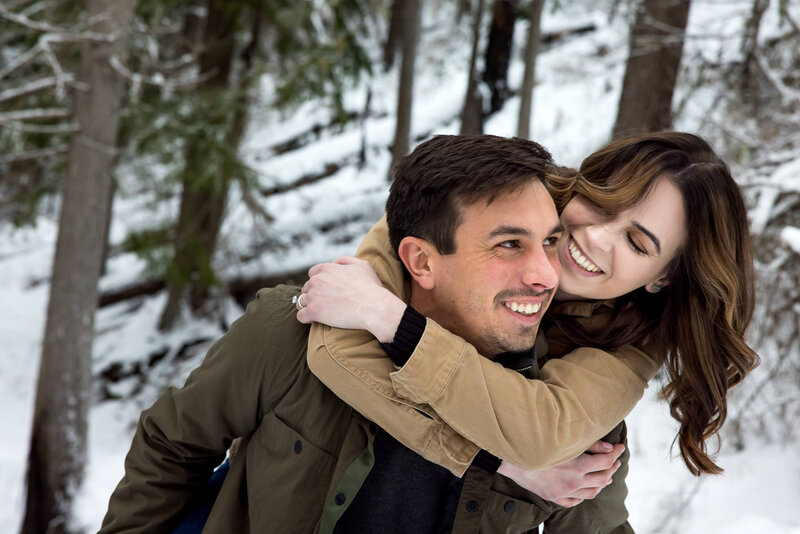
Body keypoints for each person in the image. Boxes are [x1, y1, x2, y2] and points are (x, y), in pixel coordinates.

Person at [100, 134, 628, 534]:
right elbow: (172, 446)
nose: (545, 275)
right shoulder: (291, 331)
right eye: (509, 245)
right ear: (421, 260)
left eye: (550, 241)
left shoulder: (568, 412)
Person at [299, 132, 760, 528]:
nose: (596, 237)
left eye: (637, 243)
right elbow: (335, 348)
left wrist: (387, 318)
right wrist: (503, 462)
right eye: (601, 203)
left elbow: (541, 435)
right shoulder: (487, 195)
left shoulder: (630, 347)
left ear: (663, 277)